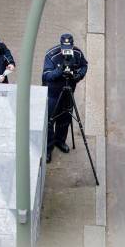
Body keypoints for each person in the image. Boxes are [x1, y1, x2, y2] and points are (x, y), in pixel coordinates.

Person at [42, 33, 88, 163]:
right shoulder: (51, 55)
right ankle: (48, 149)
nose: (66, 51)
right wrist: (60, 70)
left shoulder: (77, 53)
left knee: (65, 118)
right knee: (50, 121)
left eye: (69, 47)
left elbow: (84, 65)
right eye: (64, 48)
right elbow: (46, 76)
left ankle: (60, 141)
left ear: (72, 45)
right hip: (53, 93)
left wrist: (79, 75)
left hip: (68, 92)